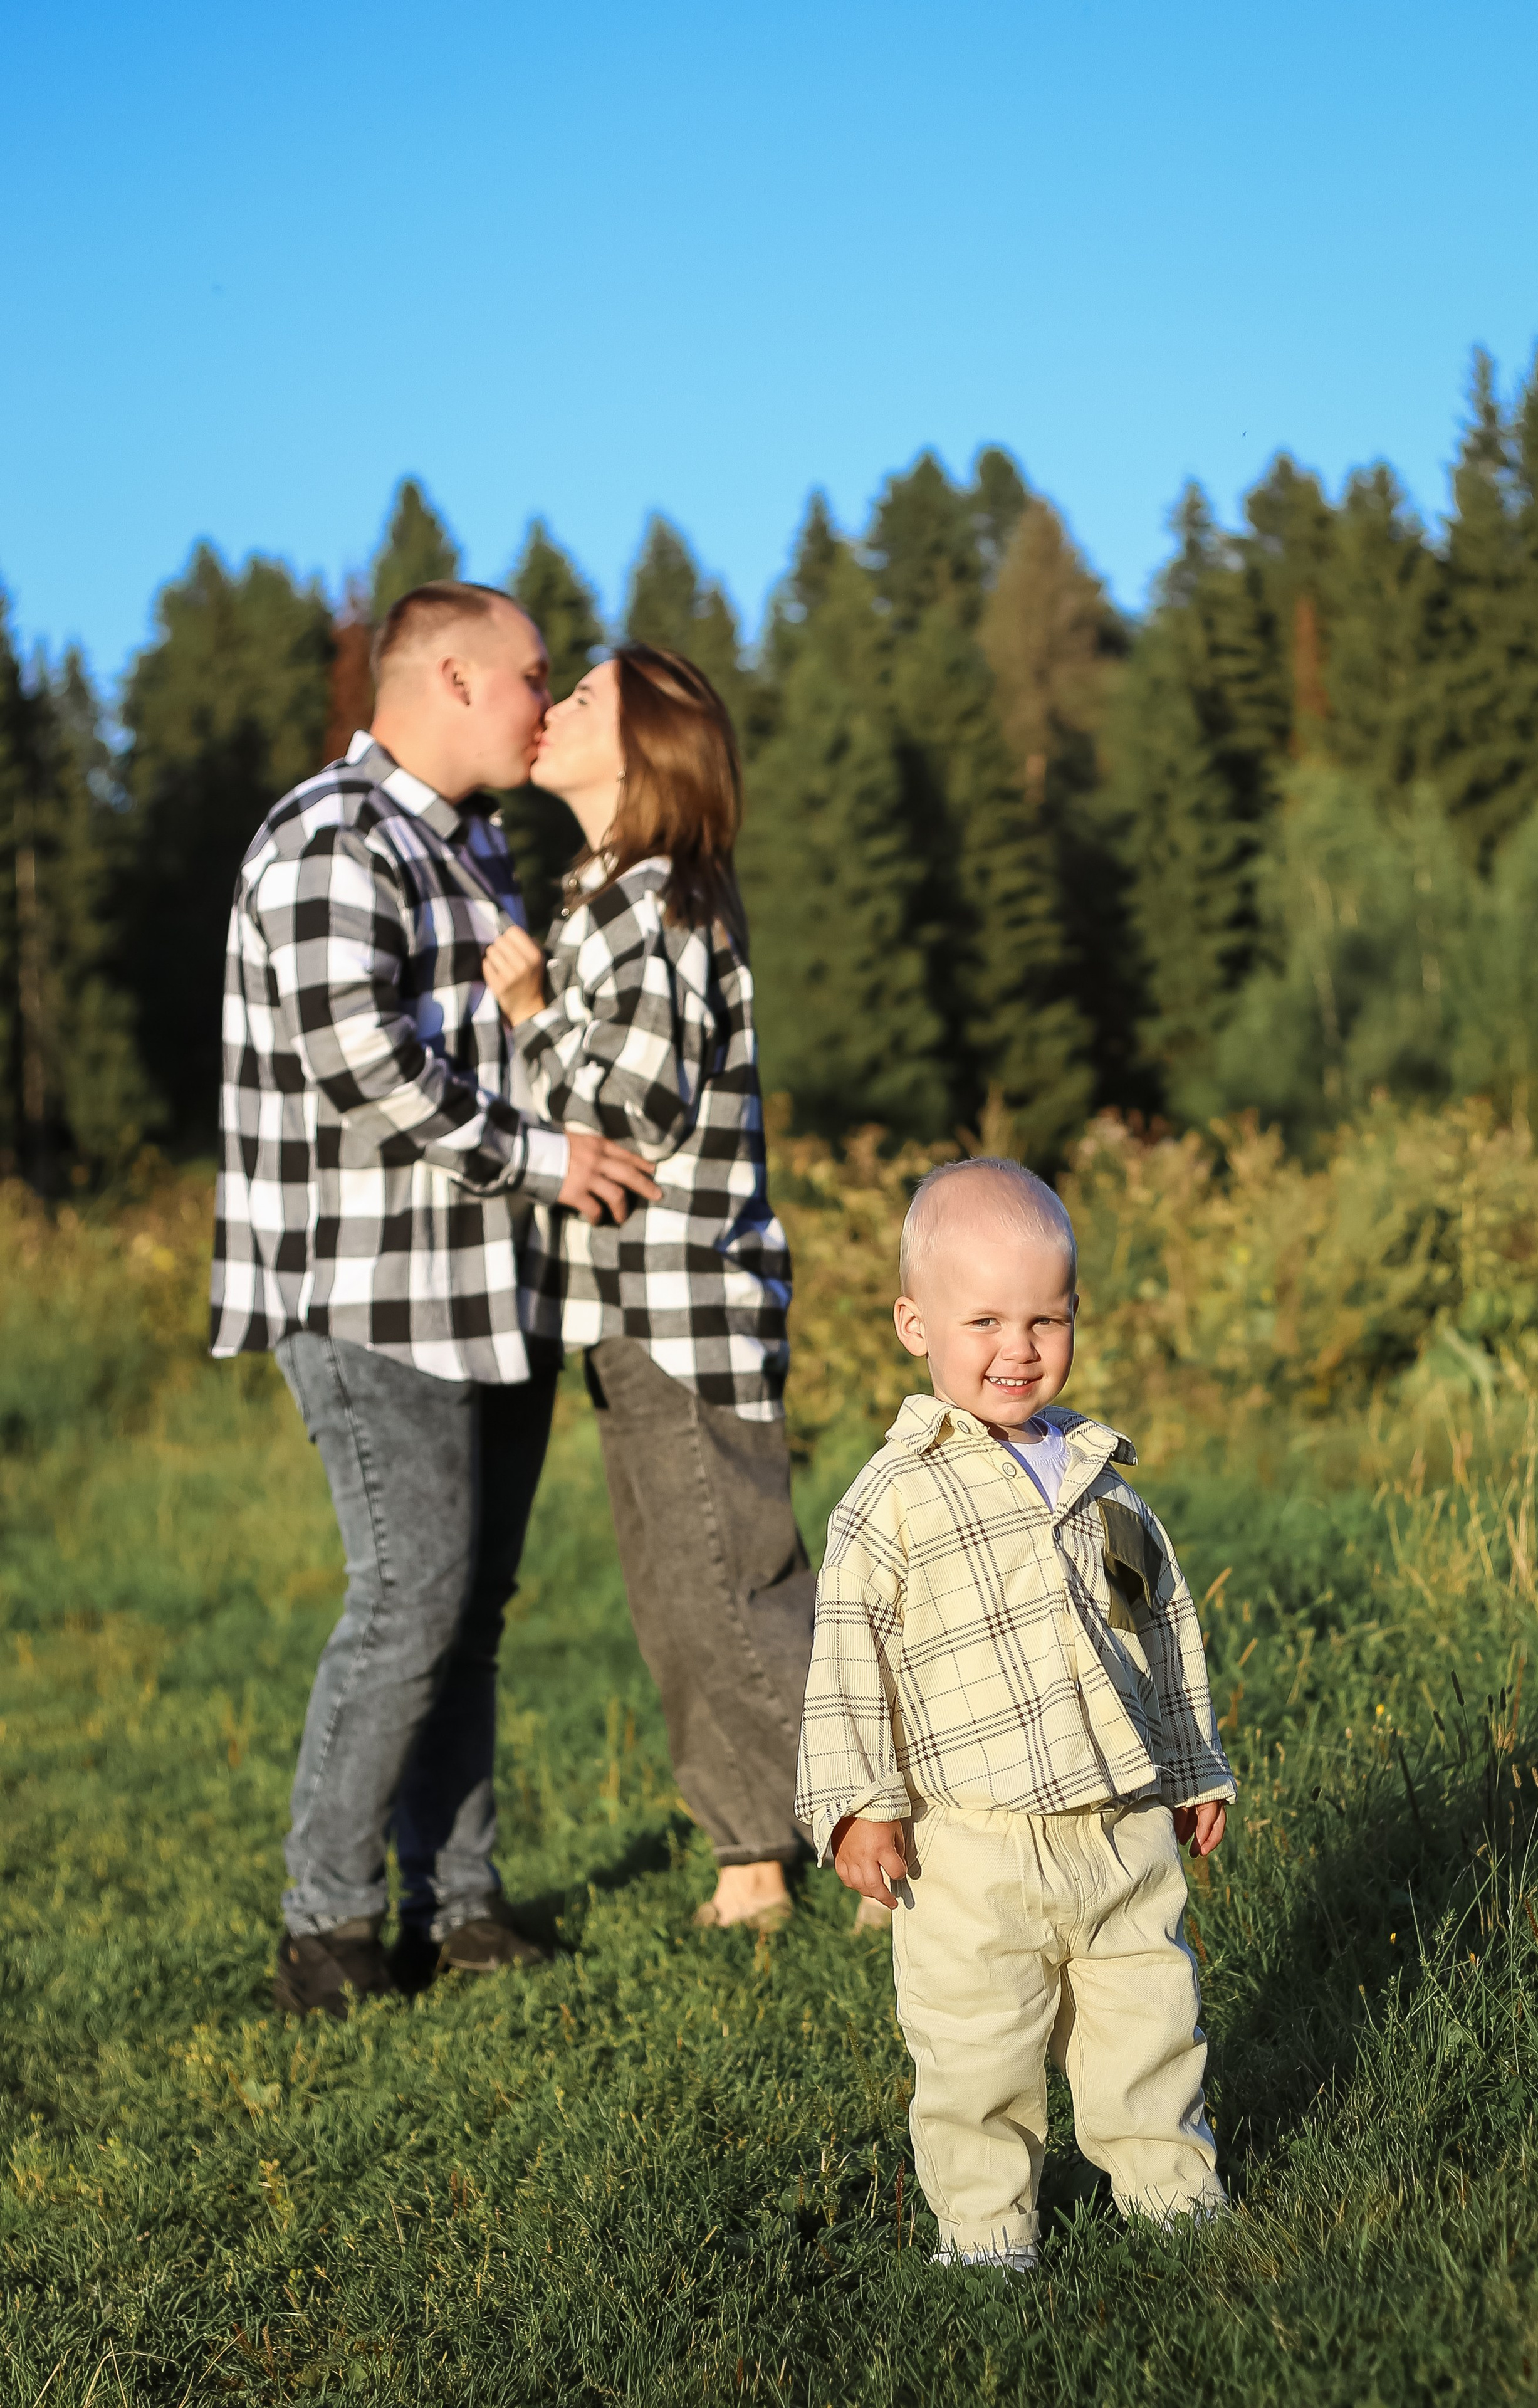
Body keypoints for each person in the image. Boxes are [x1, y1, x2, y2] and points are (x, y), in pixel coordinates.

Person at [211, 581, 660, 2019]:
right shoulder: (334, 837)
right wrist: (549, 1156)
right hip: (366, 1292)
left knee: (465, 1608)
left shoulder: (466, 845)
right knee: (408, 1596)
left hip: (484, 1288)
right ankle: (324, 1928)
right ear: (455, 680)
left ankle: (456, 1905)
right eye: (536, 674)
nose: (549, 698)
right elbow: (363, 1063)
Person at [794, 1157, 1235, 2270]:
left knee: (1148, 2016)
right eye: (983, 1318)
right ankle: (988, 2232)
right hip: (972, 1845)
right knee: (977, 2048)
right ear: (915, 1323)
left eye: (1047, 1316)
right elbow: (847, 1662)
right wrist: (857, 1806)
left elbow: (1162, 1625)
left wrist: (1190, 1765)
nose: (1018, 1347)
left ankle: (1171, 2192)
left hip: (1120, 1827)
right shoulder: (892, 1498)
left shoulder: (1103, 1482)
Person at [479, 645, 813, 1932]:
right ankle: (754, 1851)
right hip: (638, 1302)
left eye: (580, 699)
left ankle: (886, 1828)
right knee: (686, 1586)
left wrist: (524, 1015)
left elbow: (630, 1098)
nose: (550, 709)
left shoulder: (654, 893)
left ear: (648, 747)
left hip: (680, 1297)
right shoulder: (611, 894)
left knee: (728, 1584)